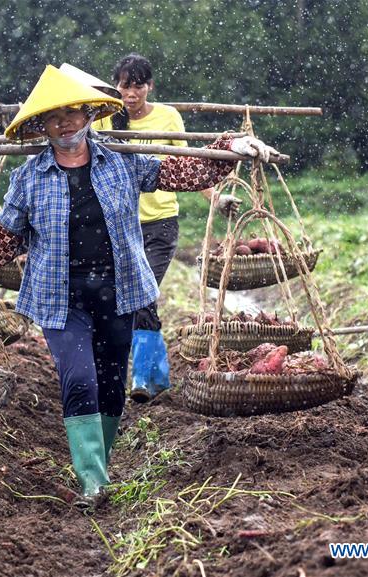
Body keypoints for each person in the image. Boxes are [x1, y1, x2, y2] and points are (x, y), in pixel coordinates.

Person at [0, 65, 276, 509]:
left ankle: (100, 463)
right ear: (41, 126)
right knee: (79, 380)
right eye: (55, 117)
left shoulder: (121, 161)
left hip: (118, 291)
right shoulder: (29, 178)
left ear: (89, 115)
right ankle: (90, 479)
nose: (66, 122)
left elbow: (182, 172)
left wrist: (230, 149)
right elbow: (2, 237)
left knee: (110, 384)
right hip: (61, 299)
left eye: (74, 112)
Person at [93, 53, 225, 403]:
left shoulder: (168, 117)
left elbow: (187, 166)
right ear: (115, 86)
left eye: (138, 86)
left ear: (149, 86)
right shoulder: (105, 119)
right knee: (120, 301)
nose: (131, 94)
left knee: (143, 295)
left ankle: (141, 377)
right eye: (124, 86)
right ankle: (155, 376)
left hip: (159, 226)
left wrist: (216, 198)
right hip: (118, 226)